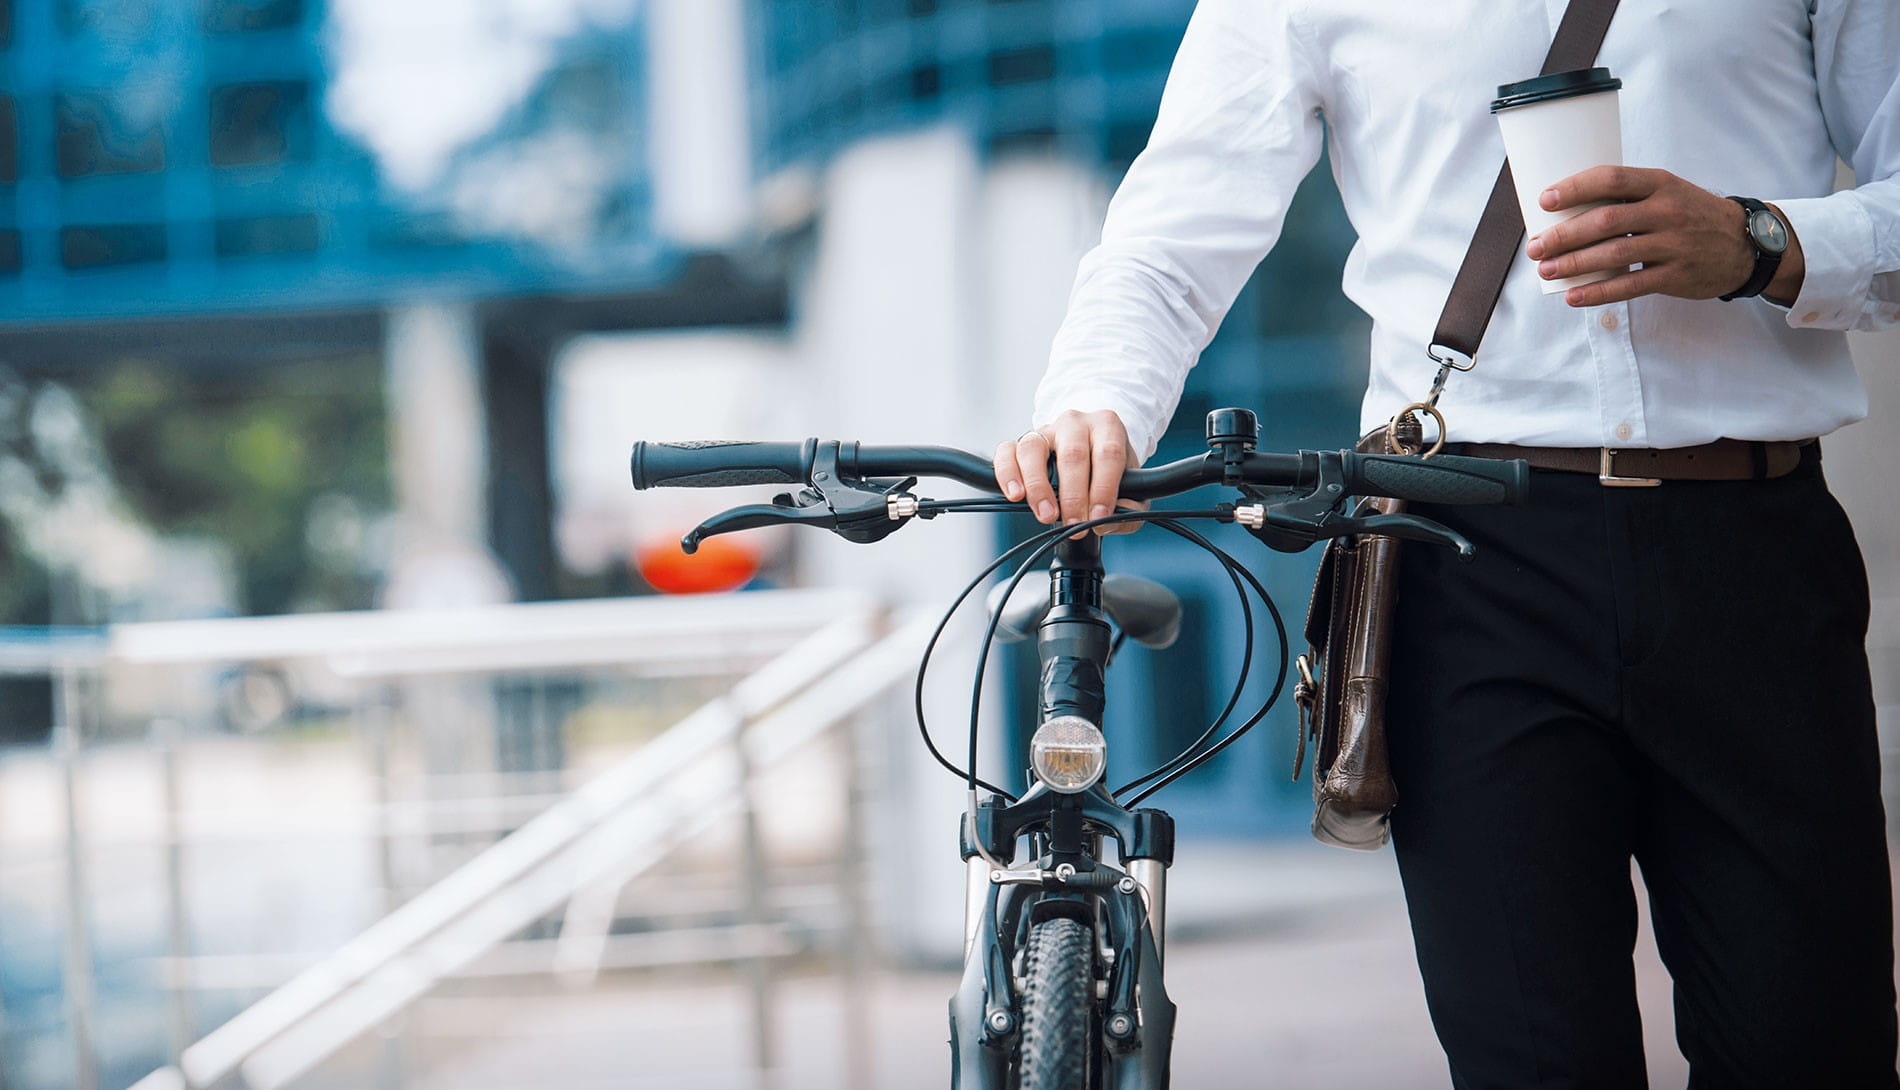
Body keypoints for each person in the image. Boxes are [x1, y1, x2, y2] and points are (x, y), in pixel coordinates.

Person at [991, 1, 1900, 1086]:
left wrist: (1763, 242)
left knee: (1816, 1048)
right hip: (1465, 563)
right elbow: (1173, 230)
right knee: (1528, 1061)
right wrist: (1098, 403)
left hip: (1751, 559)